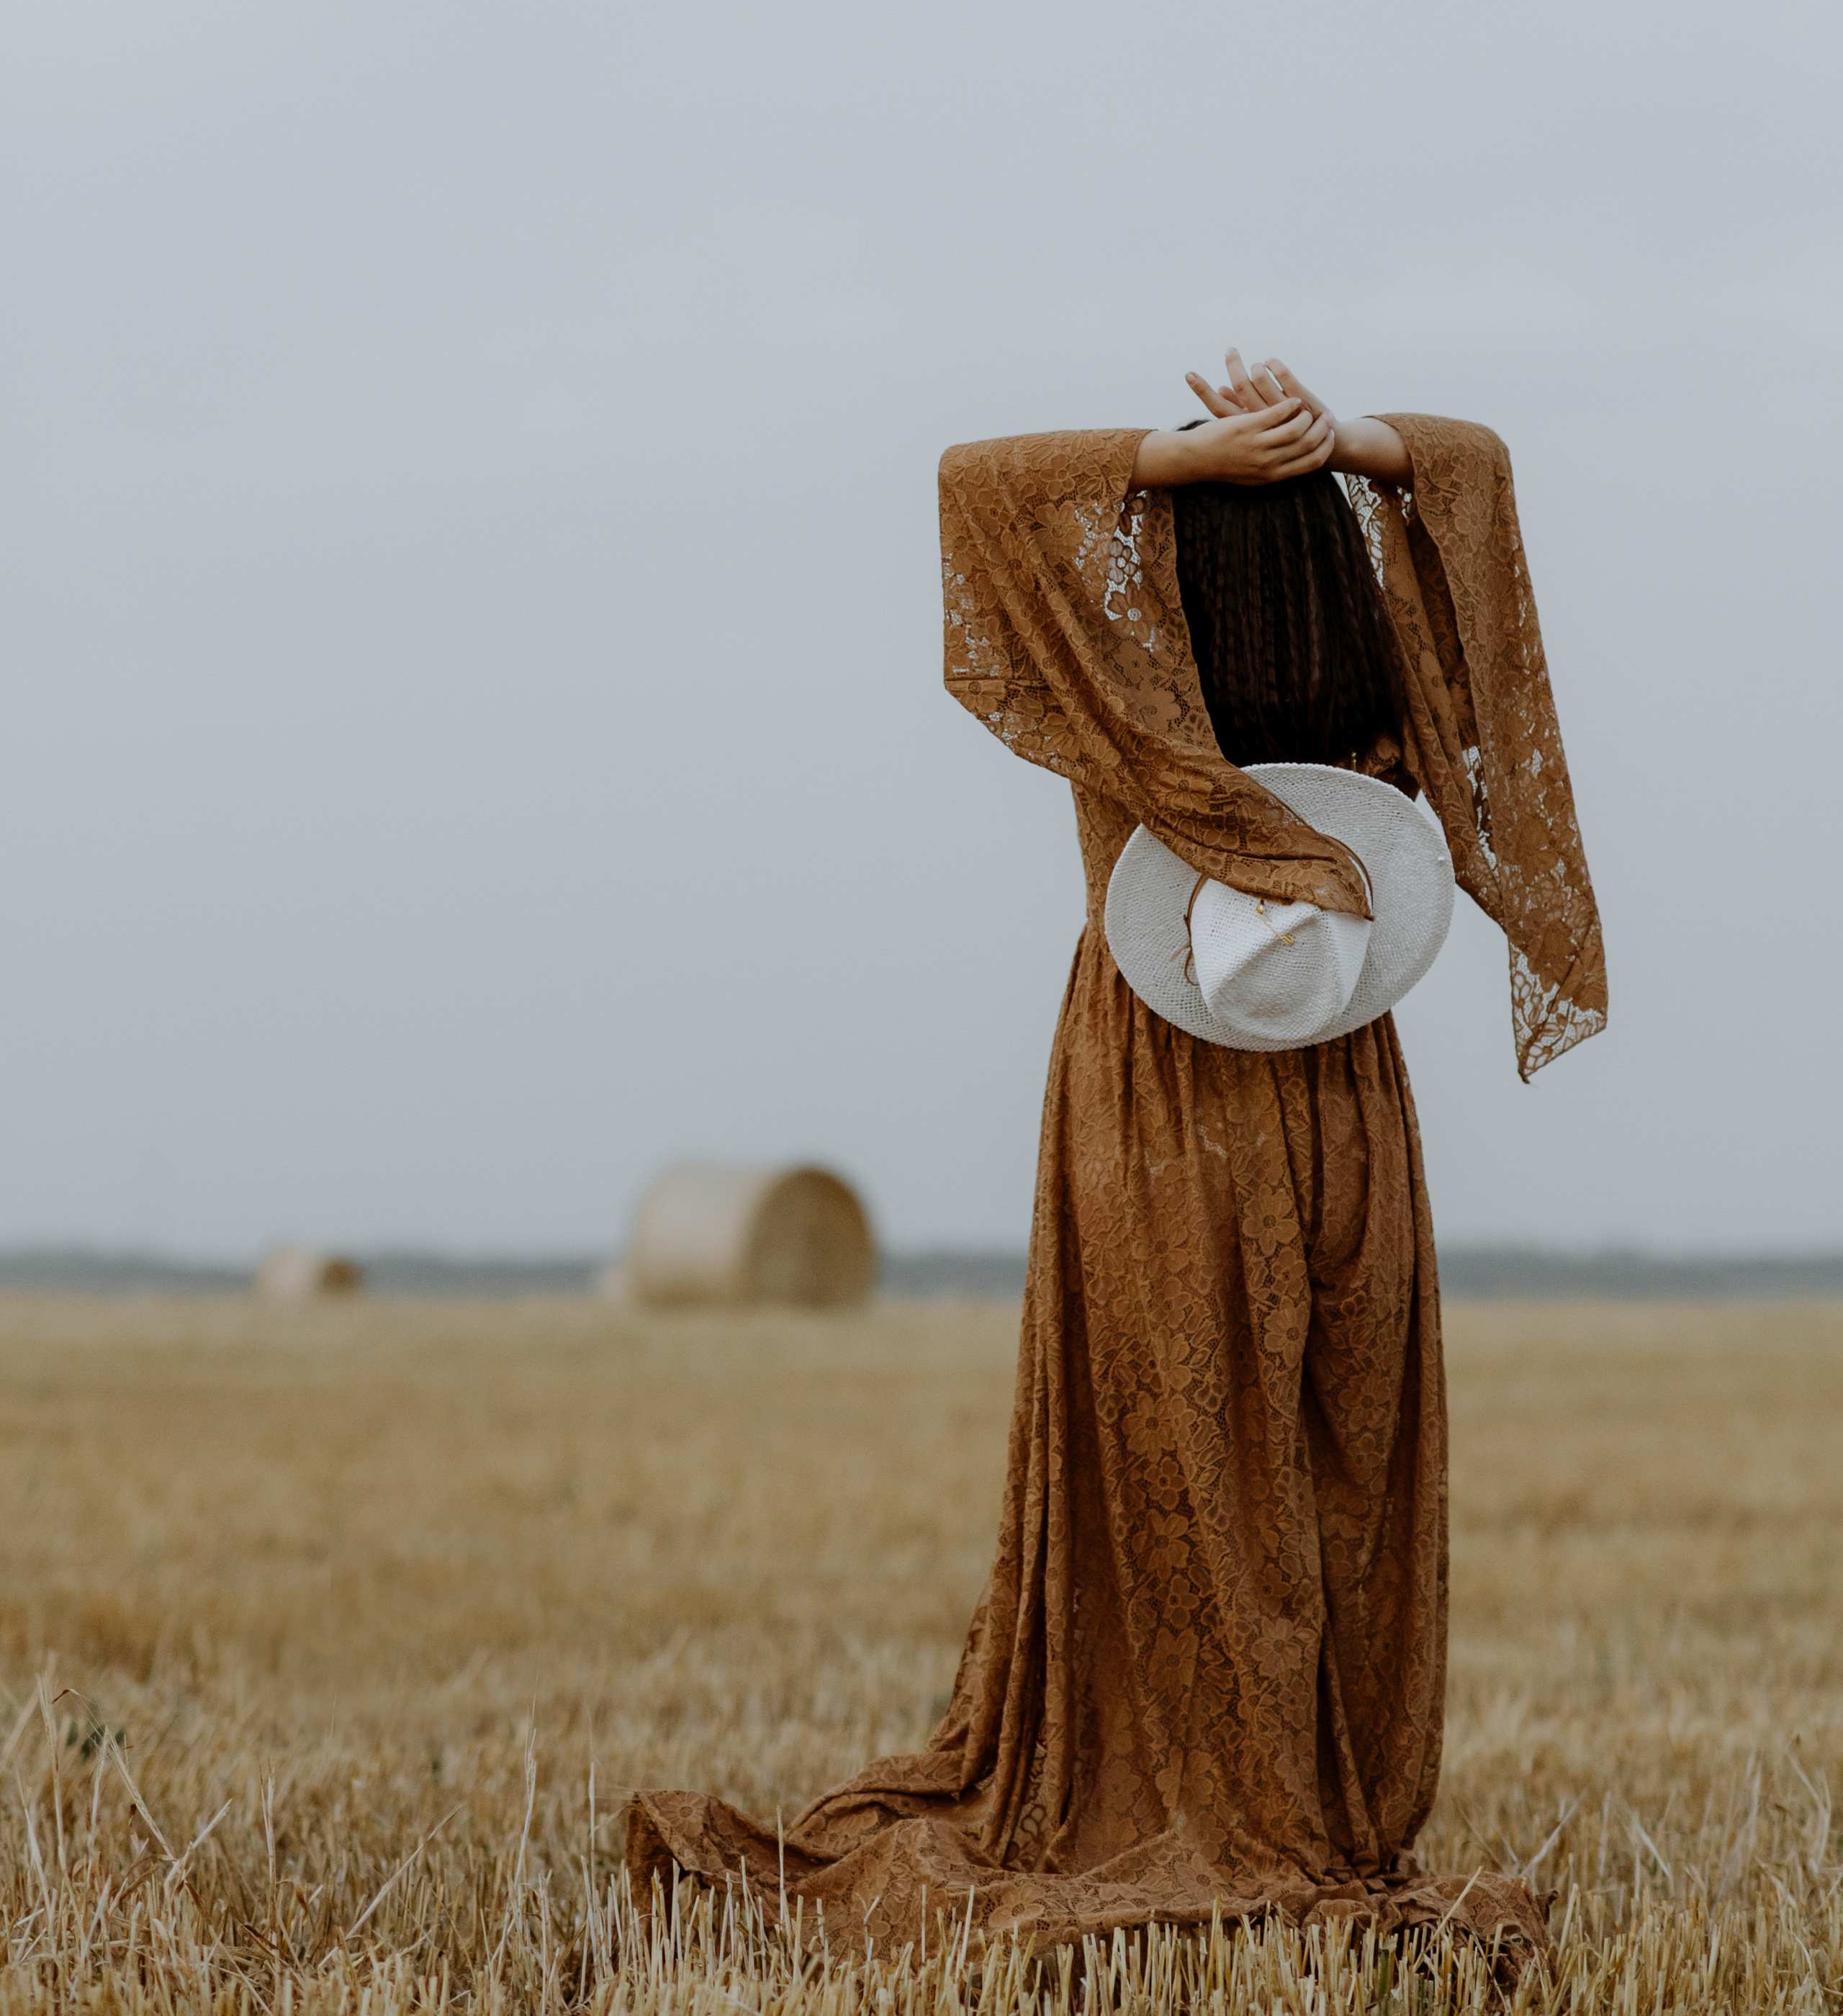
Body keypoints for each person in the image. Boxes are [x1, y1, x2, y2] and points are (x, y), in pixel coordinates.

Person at [628, 353, 1605, 1964]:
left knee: (1166, 1447)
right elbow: (1478, 475)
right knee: (1332, 1458)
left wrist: (1172, 460)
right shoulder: (1384, 710)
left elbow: (975, 480)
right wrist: (1346, 442)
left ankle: (1199, 1793)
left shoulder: (1125, 685)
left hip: (1153, 1079)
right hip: (1340, 1074)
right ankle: (1324, 1810)